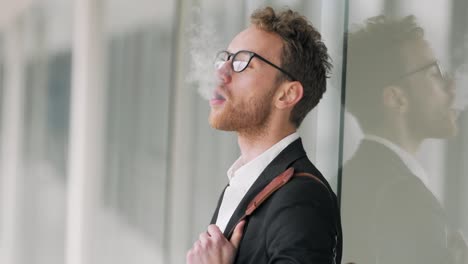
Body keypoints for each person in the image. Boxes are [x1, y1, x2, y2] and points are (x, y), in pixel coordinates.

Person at [186, 6, 342, 264]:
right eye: (224, 59)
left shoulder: (301, 199)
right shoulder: (241, 183)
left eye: (242, 62)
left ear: (287, 94)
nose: (221, 73)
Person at [341, 15, 466, 264]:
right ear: (396, 98)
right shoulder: (407, 200)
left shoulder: (346, 180)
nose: (452, 87)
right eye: (435, 73)